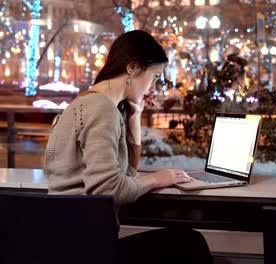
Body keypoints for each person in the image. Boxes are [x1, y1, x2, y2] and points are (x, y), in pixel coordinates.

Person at [44, 30, 213, 264]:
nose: (154, 86)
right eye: (155, 76)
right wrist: (157, 179)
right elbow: (108, 190)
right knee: (190, 243)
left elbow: (126, 173)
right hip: (87, 250)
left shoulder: (87, 104)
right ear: (133, 67)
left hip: (67, 245)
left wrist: (135, 115)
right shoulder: (101, 109)